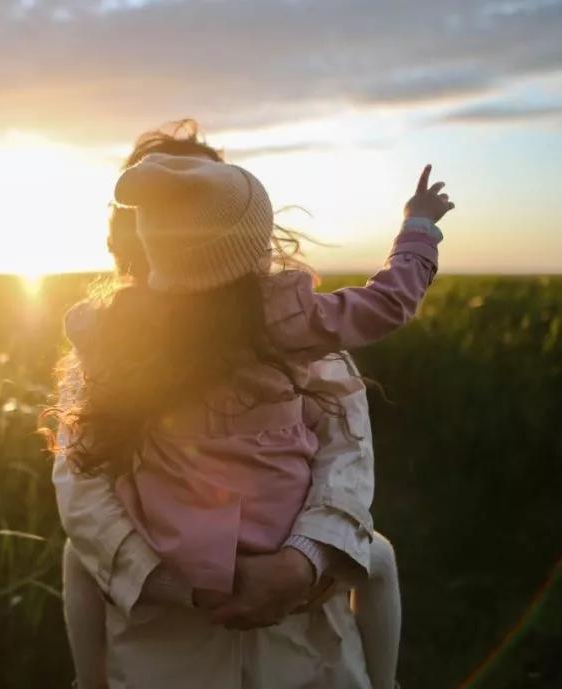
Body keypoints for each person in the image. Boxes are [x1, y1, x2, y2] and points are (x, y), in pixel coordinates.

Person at [50, 122, 452, 688]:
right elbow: (83, 488)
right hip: (158, 650)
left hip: (308, 648)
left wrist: (302, 563)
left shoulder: (118, 335)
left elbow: (346, 457)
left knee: (375, 556)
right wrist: (179, 584)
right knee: (77, 555)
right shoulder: (292, 324)